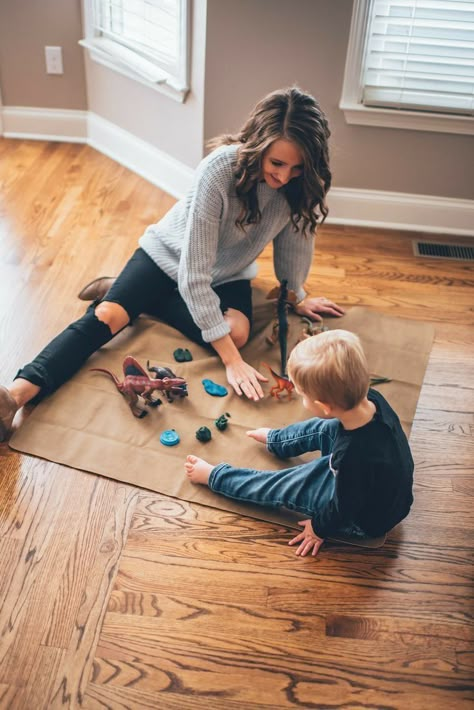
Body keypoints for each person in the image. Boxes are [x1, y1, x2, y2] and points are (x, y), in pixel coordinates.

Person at [0, 86, 344, 442]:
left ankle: (141, 298)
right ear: (258, 145)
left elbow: (294, 245)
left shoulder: (298, 187)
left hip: (227, 274)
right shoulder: (219, 171)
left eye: (297, 168)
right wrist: (231, 362)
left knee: (237, 334)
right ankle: (15, 396)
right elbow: (193, 274)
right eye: (277, 164)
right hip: (167, 257)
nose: (285, 176)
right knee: (107, 318)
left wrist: (296, 295)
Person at [185, 330, 414, 557]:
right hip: (378, 484)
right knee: (328, 427)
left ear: (324, 406)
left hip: (364, 520)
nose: (301, 399)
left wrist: (318, 528)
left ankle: (216, 476)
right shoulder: (372, 399)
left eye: (303, 395)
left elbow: (344, 506)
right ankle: (278, 440)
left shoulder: (352, 457)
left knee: (292, 482)